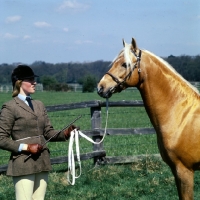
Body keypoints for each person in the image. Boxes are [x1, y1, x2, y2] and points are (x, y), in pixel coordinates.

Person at [0, 64, 78, 200]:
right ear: (19, 82)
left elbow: (48, 132)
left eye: (33, 79)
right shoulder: (10, 107)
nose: (34, 82)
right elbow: (1, 138)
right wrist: (27, 147)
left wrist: (65, 133)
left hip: (42, 161)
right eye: (30, 80)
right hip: (23, 163)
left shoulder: (39, 105)